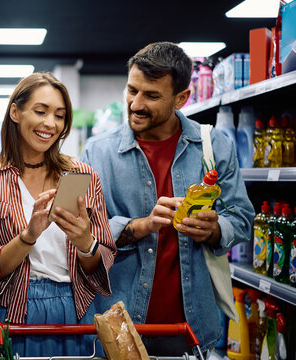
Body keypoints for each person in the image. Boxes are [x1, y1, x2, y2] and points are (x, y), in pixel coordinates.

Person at [80, 42, 255, 356]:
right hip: (118, 325)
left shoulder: (214, 146)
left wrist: (214, 229)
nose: (135, 104)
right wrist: (143, 225)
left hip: (190, 327)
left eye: (151, 95)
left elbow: (241, 216)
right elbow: (82, 234)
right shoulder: (97, 152)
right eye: (132, 90)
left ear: (182, 98)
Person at [0, 72, 117, 359]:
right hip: (14, 311)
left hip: (76, 309)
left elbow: (102, 257)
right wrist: (28, 236)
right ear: (15, 112)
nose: (50, 124)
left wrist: (86, 243)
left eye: (59, 115)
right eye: (40, 111)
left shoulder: (82, 176)